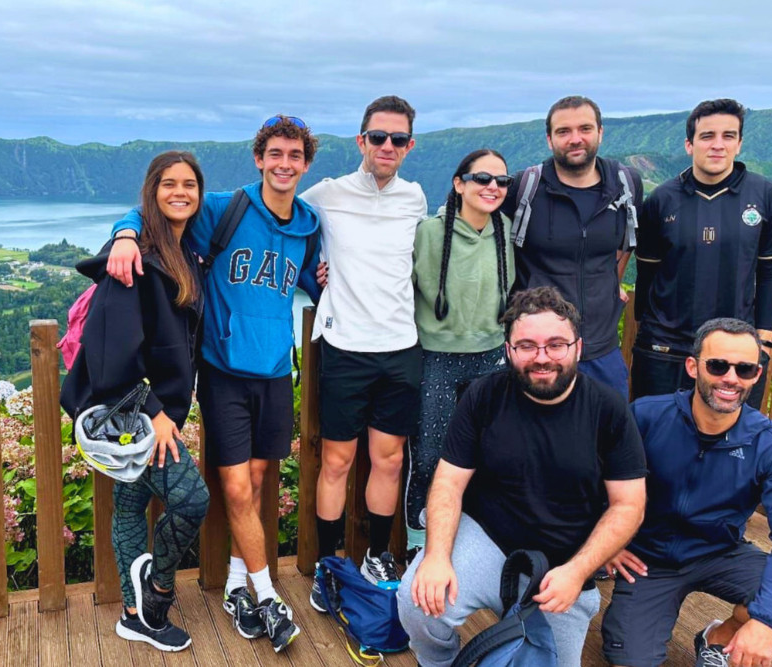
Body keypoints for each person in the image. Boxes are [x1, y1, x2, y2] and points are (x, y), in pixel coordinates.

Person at [104, 116, 323, 652]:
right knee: (232, 488)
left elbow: (299, 274)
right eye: (275, 153)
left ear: (306, 163)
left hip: (275, 372)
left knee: (257, 477)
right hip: (224, 372)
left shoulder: (310, 223)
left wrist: (317, 279)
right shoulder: (227, 208)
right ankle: (266, 594)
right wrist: (125, 233)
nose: (284, 163)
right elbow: (158, 210)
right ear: (259, 158)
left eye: (294, 155)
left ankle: (231, 585)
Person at [397, 286, 647, 667]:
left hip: (564, 560)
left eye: (556, 345)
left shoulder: (608, 408)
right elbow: (448, 482)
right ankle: (440, 664)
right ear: (509, 351)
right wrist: (435, 556)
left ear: (578, 347)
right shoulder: (483, 396)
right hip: (488, 538)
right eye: (527, 346)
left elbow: (628, 504)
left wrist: (578, 572)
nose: (542, 358)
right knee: (417, 601)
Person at [60, 150, 211, 652]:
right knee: (192, 500)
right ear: (151, 191)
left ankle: (133, 615)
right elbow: (108, 359)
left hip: (154, 412)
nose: (180, 193)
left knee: (130, 504)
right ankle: (157, 595)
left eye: (189, 184)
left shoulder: (183, 252)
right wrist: (156, 414)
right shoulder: (133, 261)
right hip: (137, 416)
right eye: (168, 184)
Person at [602, 317, 772, 667]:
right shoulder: (646, 416)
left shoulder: (771, 445)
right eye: (717, 365)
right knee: (630, 659)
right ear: (692, 366)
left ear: (756, 376)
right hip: (646, 559)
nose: (730, 378)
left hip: (720, 552)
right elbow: (593, 480)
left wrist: (764, 622)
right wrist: (610, 543)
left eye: (745, 369)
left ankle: (717, 639)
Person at [300, 95, 428, 606]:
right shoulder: (327, 194)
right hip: (346, 346)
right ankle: (329, 566)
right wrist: (312, 275)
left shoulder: (415, 198)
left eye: (398, 139)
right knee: (336, 461)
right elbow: (280, 217)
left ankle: (376, 554)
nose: (387, 146)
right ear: (361, 141)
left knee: (390, 460)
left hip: (400, 346)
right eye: (378, 137)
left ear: (410, 146)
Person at [632, 99, 772, 409]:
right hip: (665, 351)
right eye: (707, 136)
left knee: (727, 446)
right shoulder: (661, 200)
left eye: (728, 136)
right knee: (652, 441)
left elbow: (769, 274)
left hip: (733, 357)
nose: (718, 145)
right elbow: (647, 274)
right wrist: (647, 332)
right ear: (690, 145)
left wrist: (764, 343)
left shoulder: (767, 197)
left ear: (740, 143)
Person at [405, 148, 515, 559]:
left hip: (491, 358)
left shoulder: (504, 230)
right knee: (430, 455)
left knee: (483, 454)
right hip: (437, 357)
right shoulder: (429, 233)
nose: (492, 187)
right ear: (459, 183)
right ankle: (419, 542)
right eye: (482, 179)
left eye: (501, 181)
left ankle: (468, 539)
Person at [500, 95, 643, 399]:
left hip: (601, 350)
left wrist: (612, 282)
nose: (575, 139)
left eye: (585, 129)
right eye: (564, 131)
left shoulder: (626, 185)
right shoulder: (525, 189)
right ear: (549, 139)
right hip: (538, 354)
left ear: (600, 133)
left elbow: (624, 242)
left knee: (606, 441)